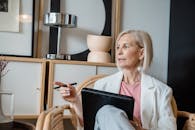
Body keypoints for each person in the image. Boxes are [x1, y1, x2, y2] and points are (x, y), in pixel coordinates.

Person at [54, 30, 177, 130]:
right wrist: (75, 100)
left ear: (141, 53)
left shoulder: (162, 91)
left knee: (107, 110)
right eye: (118, 47)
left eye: (126, 46)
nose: (119, 52)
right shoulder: (102, 85)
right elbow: (89, 124)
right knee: (107, 112)